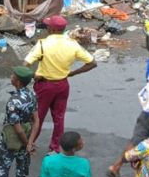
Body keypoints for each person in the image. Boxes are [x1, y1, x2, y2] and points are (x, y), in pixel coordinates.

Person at [24, 15, 97, 153]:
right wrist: (72, 73)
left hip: (44, 86)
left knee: (38, 117)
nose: (46, 28)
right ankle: (55, 147)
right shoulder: (73, 44)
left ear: (51, 29)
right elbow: (92, 63)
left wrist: (34, 75)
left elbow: (25, 64)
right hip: (63, 85)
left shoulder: (42, 44)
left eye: (48, 26)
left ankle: (30, 143)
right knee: (59, 118)